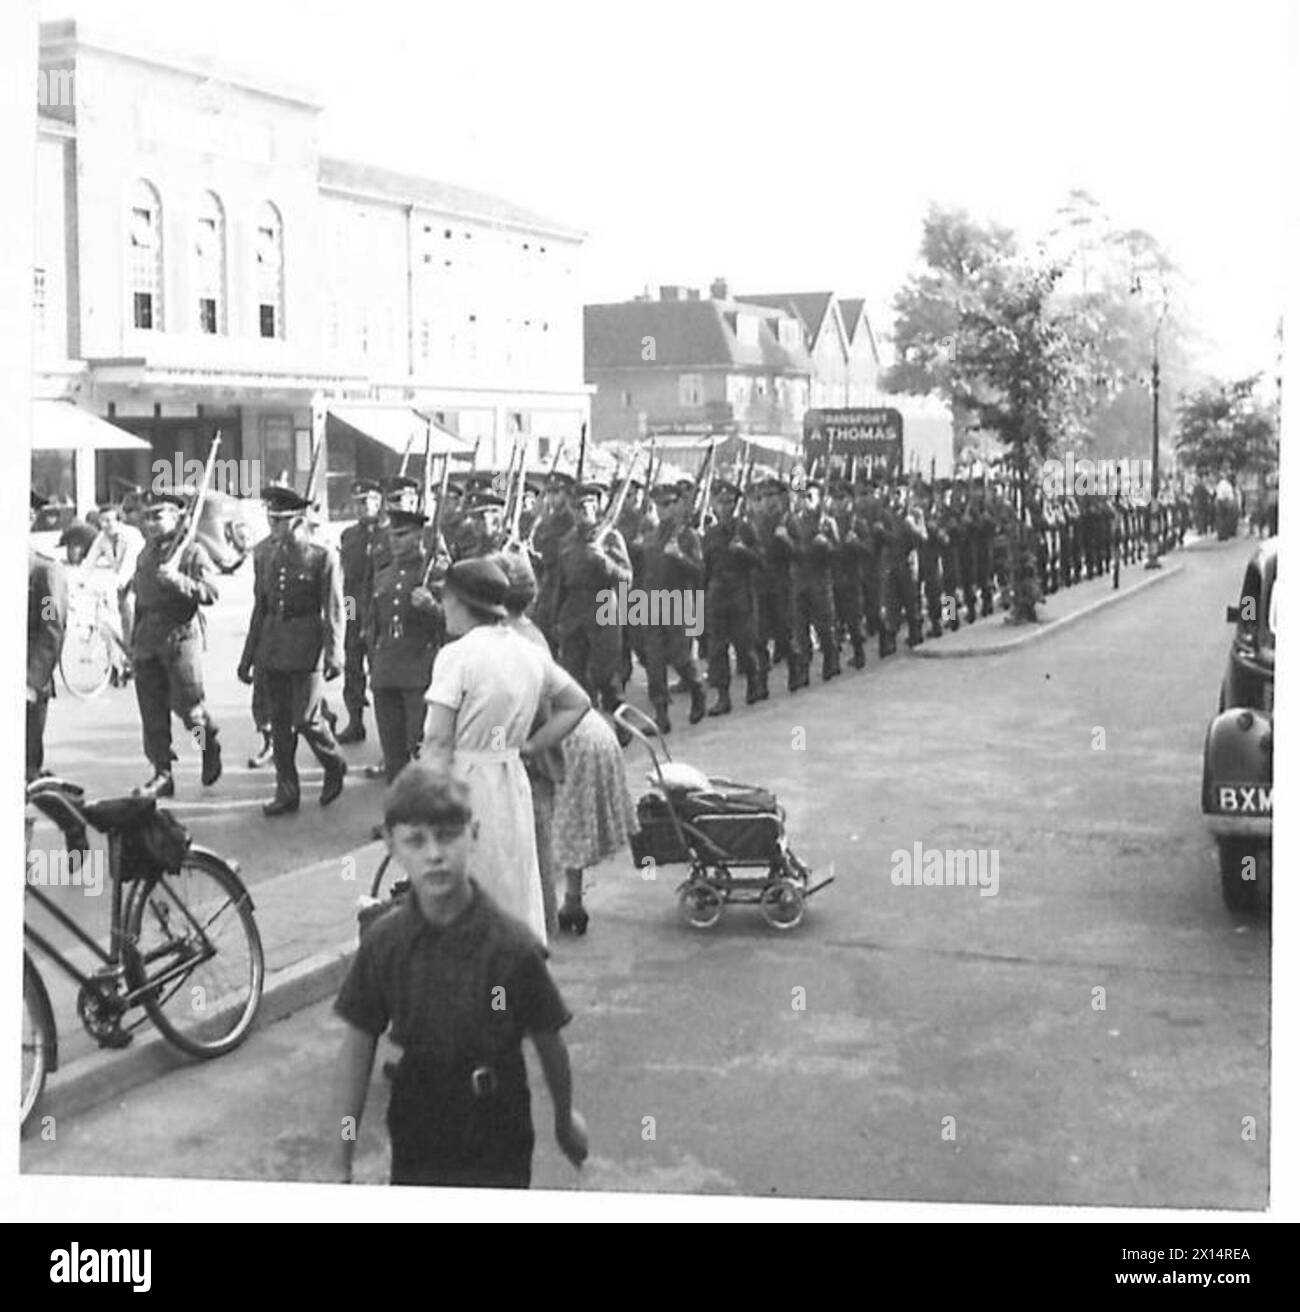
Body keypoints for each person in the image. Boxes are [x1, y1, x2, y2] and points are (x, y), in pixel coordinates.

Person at [330, 765, 588, 1188]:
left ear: (474, 833)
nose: (434, 853)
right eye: (416, 840)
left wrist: (564, 1119)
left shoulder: (511, 947)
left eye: (448, 834)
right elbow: (358, 1047)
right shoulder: (384, 944)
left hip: (496, 1125)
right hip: (418, 1120)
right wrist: (342, 1157)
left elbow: (549, 1041)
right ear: (392, 845)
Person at [421, 557, 590, 944]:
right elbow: (577, 703)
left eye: (446, 599)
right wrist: (530, 745)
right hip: (511, 779)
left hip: (465, 781)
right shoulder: (528, 651)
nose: (444, 607)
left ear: (463, 603)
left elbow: (438, 741)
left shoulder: (456, 656)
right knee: (513, 875)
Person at [238, 485, 347, 816]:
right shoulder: (264, 555)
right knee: (280, 725)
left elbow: (335, 609)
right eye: (271, 520)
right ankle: (287, 791)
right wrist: (248, 657)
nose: (274, 527)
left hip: (306, 644)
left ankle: (334, 763)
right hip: (272, 645)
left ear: (299, 521)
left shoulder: (321, 556)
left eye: (282, 521)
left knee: (307, 719)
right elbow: (260, 608)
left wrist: (334, 653)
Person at [128, 488, 222, 798]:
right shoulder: (146, 553)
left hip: (179, 640)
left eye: (158, 515)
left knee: (190, 712)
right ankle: (162, 772)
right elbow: (141, 602)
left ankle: (207, 746)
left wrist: (178, 581)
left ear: (176, 515)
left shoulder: (192, 551)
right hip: (147, 643)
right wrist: (133, 644)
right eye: (147, 517)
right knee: (152, 713)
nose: (152, 523)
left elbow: (210, 593)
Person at [367, 506, 444, 782]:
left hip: (419, 669)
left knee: (421, 747)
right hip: (386, 670)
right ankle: (396, 817)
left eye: (402, 535)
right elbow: (370, 622)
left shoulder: (436, 572)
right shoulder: (383, 574)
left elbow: (454, 627)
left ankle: (426, 817)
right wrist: (370, 664)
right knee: (393, 754)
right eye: (392, 535)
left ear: (419, 536)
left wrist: (432, 607)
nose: (394, 541)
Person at [636, 482, 707, 733]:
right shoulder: (651, 535)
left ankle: (697, 689)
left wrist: (680, 557)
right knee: (654, 661)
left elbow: (700, 572)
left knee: (680, 658)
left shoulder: (688, 536)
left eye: (668, 504)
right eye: (659, 505)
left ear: (678, 505)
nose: (663, 510)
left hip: (678, 605)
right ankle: (661, 714)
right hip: (653, 604)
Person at [701, 478, 763, 713]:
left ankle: (753, 682)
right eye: (721, 503)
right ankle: (723, 696)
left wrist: (744, 551)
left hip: (740, 593)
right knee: (717, 648)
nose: (725, 508)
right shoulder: (710, 534)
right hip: (717, 596)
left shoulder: (746, 529)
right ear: (714, 506)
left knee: (744, 644)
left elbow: (761, 560)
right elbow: (704, 569)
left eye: (730, 502)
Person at [336, 479, 386, 744]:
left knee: (380, 675)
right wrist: (351, 616)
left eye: (368, 501)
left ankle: (387, 736)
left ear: (379, 503)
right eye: (358, 503)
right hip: (356, 609)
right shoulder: (349, 536)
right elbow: (348, 582)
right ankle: (355, 722)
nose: (362, 507)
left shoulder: (388, 534)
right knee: (352, 667)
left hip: (379, 613)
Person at [28, 491, 67, 781]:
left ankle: (202, 743)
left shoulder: (42, 572)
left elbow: (50, 629)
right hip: (146, 652)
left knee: (193, 716)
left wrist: (32, 681)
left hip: (26, 681)